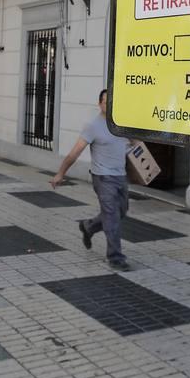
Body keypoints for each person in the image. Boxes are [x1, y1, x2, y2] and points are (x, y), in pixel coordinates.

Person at [50, 89, 135, 271]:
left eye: (112, 102)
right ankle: (115, 257)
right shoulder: (93, 126)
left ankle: (88, 227)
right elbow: (74, 153)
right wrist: (60, 173)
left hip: (120, 175)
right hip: (103, 178)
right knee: (112, 216)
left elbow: (135, 143)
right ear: (99, 104)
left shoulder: (122, 124)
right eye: (105, 101)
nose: (109, 105)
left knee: (121, 211)